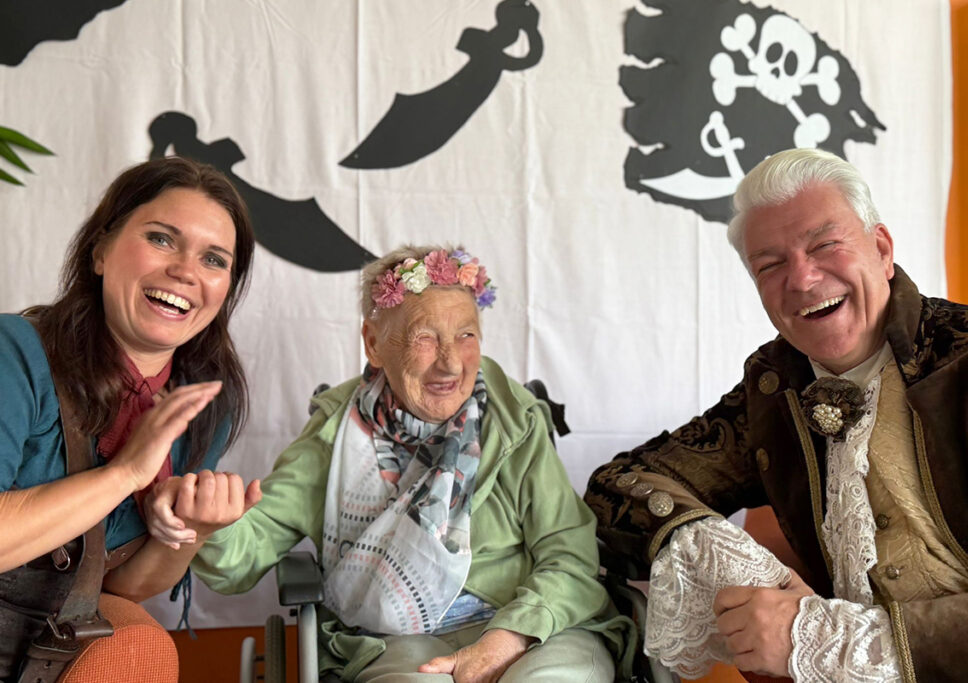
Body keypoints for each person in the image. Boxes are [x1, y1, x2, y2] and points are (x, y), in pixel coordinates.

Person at [585, 148, 968, 682]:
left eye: (825, 245)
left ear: (882, 249)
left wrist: (817, 635)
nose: (802, 278)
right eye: (769, 265)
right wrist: (722, 554)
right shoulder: (776, 386)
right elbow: (622, 482)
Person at [150, 245, 634, 682]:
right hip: (394, 639)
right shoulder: (335, 434)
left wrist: (509, 637)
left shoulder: (514, 420)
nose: (450, 363)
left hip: (529, 623)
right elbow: (248, 549)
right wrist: (207, 524)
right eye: (425, 337)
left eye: (465, 335)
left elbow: (569, 555)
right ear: (374, 343)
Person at [0, 156, 260, 681]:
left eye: (214, 259)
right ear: (99, 250)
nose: (186, 271)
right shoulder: (15, 353)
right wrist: (127, 473)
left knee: (139, 647)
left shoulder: (205, 400)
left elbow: (122, 589)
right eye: (162, 239)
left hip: (47, 637)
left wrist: (190, 531)